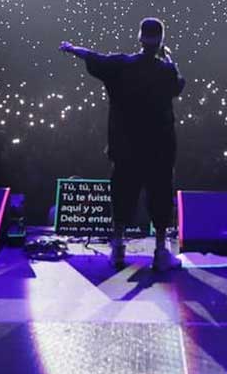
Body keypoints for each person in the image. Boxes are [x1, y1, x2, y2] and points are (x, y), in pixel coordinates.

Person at [60, 17, 185, 270]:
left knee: (122, 195)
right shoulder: (166, 70)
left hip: (126, 147)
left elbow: (92, 56)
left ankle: (118, 249)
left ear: (139, 38)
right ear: (161, 41)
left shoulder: (120, 65)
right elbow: (177, 85)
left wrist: (72, 48)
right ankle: (160, 252)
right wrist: (169, 58)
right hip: (159, 148)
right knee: (160, 196)